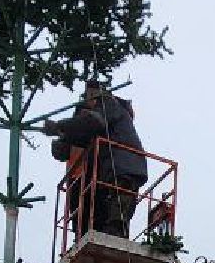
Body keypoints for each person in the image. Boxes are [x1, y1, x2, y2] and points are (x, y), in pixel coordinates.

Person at [44, 82, 148, 238]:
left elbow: (93, 122)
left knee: (117, 215)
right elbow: (82, 137)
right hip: (121, 166)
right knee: (110, 212)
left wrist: (59, 127)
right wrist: (63, 138)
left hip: (124, 165)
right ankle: (106, 233)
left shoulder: (110, 104)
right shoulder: (108, 118)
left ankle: (114, 232)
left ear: (93, 95)